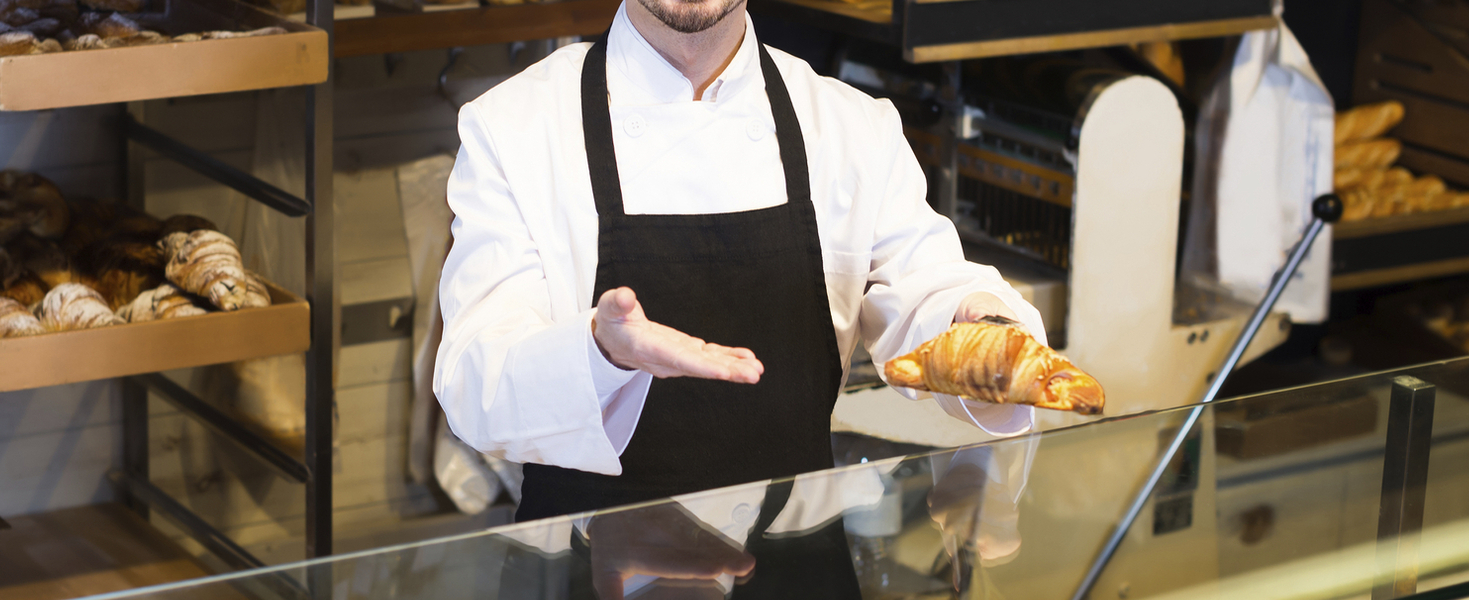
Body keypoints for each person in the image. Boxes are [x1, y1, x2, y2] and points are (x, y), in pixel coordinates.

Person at [433, 0, 1047, 524]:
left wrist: (981, 330)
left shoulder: (852, 125)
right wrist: (600, 352)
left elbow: (927, 293)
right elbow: (474, 386)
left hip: (795, 566)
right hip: (582, 563)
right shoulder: (512, 128)